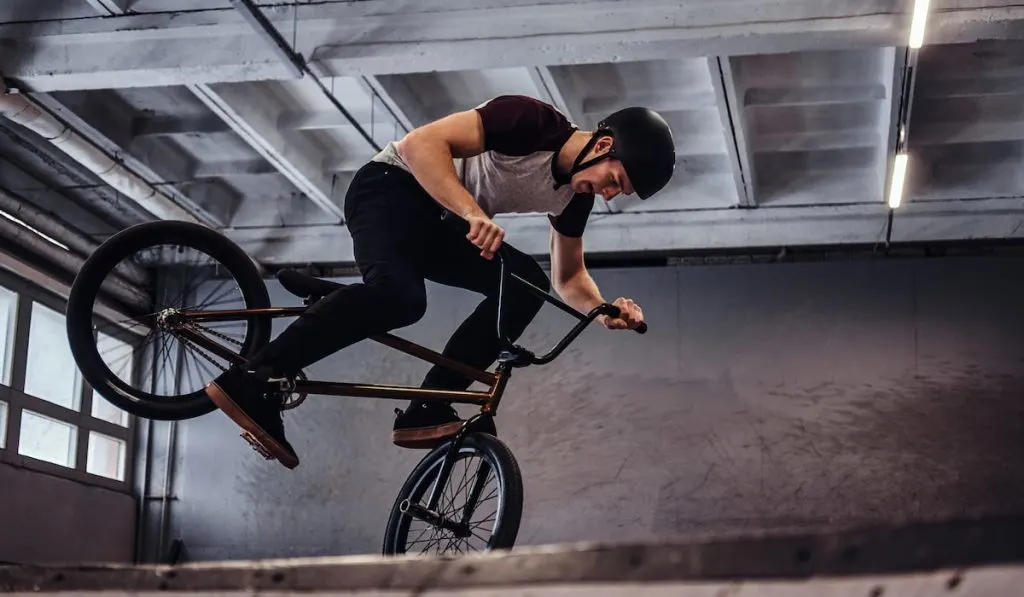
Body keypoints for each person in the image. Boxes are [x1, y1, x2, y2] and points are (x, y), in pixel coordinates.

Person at [204, 95, 676, 469]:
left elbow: (567, 277)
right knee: (401, 299)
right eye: (614, 179)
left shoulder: (573, 199)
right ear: (603, 144)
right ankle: (254, 377)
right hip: (390, 186)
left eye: (619, 192)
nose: (610, 194)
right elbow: (419, 145)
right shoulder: (532, 121)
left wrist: (602, 310)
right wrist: (472, 213)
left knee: (525, 281)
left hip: (441, 223)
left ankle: (429, 406)